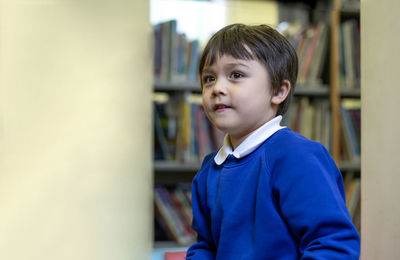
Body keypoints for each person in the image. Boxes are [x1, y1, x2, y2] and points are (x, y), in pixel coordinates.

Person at [186, 23, 360, 259]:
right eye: (209, 78)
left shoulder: (297, 157)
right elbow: (206, 246)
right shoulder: (209, 170)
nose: (217, 88)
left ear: (278, 91)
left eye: (236, 75)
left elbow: (333, 246)